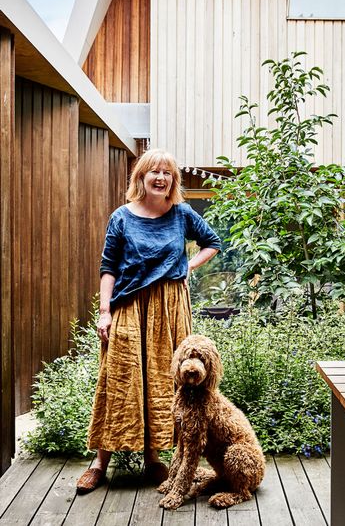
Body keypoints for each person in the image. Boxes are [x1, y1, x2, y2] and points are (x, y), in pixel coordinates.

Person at [76, 148, 220, 493]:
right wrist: (105, 311)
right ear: (140, 177)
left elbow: (212, 242)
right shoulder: (122, 217)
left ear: (173, 180)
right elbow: (108, 268)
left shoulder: (182, 214)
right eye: (153, 171)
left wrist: (188, 265)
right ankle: (99, 462)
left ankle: (154, 459)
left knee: (162, 381)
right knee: (119, 379)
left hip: (170, 310)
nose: (160, 177)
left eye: (167, 173)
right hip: (129, 308)